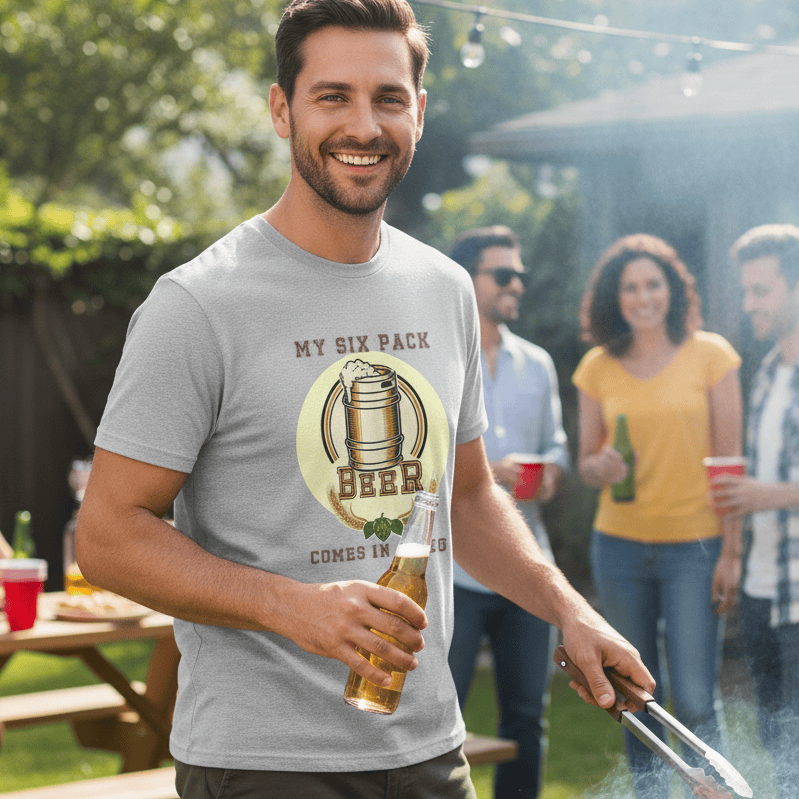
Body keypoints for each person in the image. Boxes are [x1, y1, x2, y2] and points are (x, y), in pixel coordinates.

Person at [76, 3, 653, 797]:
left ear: (417, 111)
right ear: (282, 110)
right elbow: (107, 535)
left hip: (426, 747)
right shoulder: (199, 304)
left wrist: (567, 608)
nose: (364, 124)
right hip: (265, 762)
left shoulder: (445, 288)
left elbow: (467, 493)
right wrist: (293, 607)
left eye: (387, 98)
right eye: (332, 96)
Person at [572, 233, 743, 799]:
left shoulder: (711, 356)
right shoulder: (597, 366)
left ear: (672, 289)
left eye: (652, 284)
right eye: (630, 288)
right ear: (613, 298)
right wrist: (602, 465)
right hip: (619, 550)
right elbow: (587, 464)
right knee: (635, 699)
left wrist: (733, 551)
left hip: (694, 550)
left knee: (695, 698)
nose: (642, 297)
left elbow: (729, 467)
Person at [446, 226, 569, 799]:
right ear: (467, 281)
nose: (516, 283)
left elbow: (558, 449)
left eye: (518, 274)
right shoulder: (436, 354)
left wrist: (548, 475)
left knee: (527, 719)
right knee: (439, 718)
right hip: (457, 572)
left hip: (525, 565)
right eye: (502, 274)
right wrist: (488, 473)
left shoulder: (538, 364)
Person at [712, 224, 799, 799]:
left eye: (761, 290)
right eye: (747, 291)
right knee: (776, 738)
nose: (750, 305)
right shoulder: (767, 371)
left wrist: (774, 495)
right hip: (764, 588)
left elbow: (775, 487)